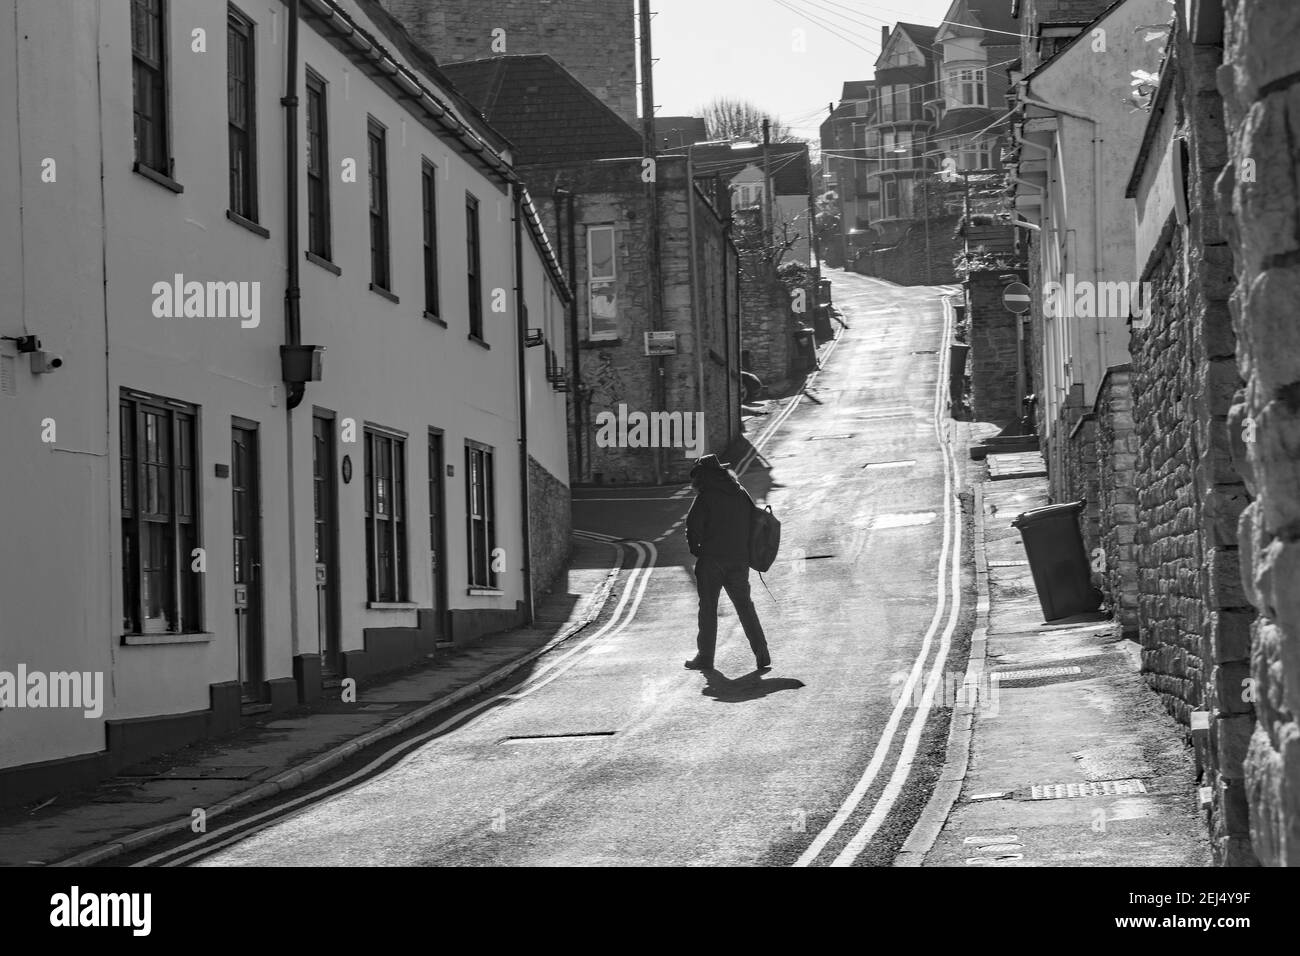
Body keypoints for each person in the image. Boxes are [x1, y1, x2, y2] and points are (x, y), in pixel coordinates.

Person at [683, 455, 771, 671]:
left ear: (701, 477)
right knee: (745, 607)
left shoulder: (705, 497)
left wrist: (697, 550)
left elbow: (692, 527)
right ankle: (762, 652)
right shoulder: (739, 492)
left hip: (712, 560)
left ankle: (705, 657)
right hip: (739, 560)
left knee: (708, 610)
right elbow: (754, 520)